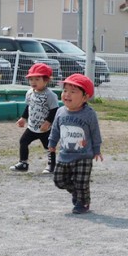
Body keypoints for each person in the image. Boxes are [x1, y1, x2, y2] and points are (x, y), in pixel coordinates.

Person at [49, 74, 103, 214]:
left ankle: (82, 202)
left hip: (84, 155)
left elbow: (95, 132)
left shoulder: (89, 114)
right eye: (65, 90)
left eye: (73, 92)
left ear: (85, 97)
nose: (67, 94)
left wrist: (96, 149)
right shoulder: (60, 112)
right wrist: (52, 143)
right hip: (65, 154)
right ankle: (79, 193)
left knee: (81, 182)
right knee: (59, 180)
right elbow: (55, 129)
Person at [11, 63, 58, 173]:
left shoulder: (50, 95)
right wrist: (23, 118)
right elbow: (29, 106)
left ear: (46, 80)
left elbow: (54, 110)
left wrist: (48, 122)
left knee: (49, 147)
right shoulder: (30, 93)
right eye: (31, 79)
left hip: (45, 129)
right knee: (23, 141)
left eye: (37, 79)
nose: (33, 82)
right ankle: (23, 163)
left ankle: (51, 165)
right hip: (32, 126)